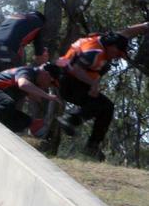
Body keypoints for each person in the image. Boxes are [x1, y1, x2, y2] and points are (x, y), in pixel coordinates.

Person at [56, 22, 149, 161]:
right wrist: (93, 83)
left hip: (76, 82)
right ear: (112, 46)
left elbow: (127, 32)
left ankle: (92, 146)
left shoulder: (107, 40)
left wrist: (146, 25)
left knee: (107, 107)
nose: (117, 56)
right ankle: (70, 119)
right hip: (68, 83)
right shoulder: (94, 51)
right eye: (117, 52)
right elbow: (75, 69)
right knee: (99, 105)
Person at [0, 63, 63, 133]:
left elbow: (31, 93)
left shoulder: (34, 81)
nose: (48, 86)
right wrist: (47, 96)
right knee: (8, 103)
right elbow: (23, 84)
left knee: (25, 121)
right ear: (46, 74)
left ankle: (0, 136)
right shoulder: (29, 71)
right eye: (51, 83)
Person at [0, 11, 48, 75]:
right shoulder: (38, 22)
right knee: (16, 78)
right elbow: (39, 53)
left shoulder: (15, 16)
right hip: (6, 51)